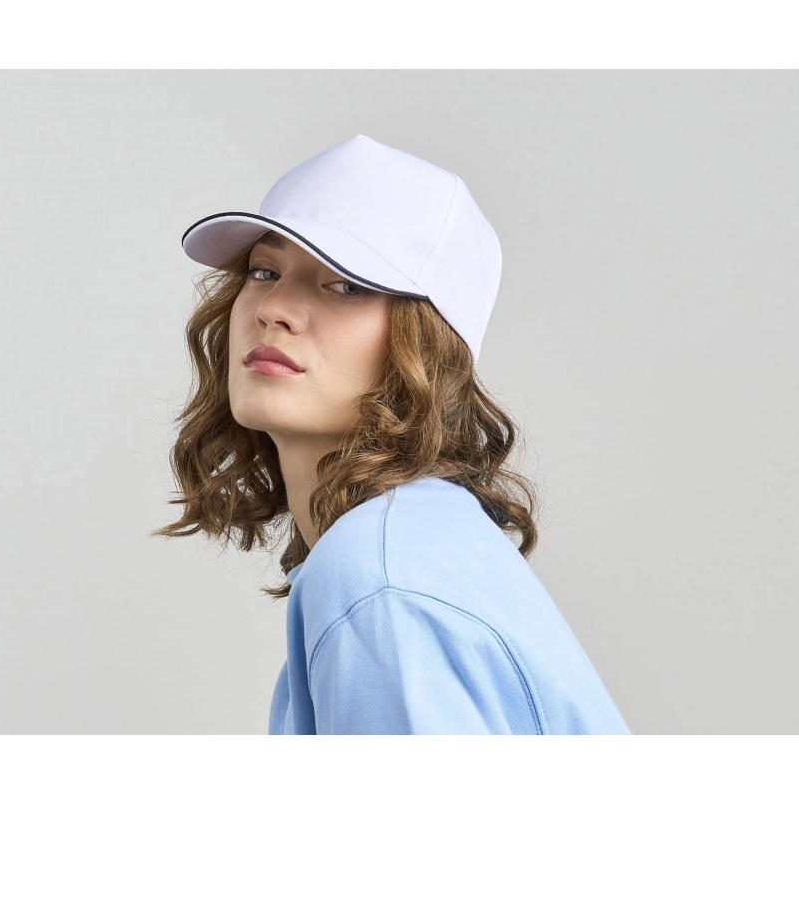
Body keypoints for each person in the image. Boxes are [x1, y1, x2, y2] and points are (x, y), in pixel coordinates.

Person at [154, 135, 630, 735]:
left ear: (427, 343)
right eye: (264, 271)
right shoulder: (412, 541)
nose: (273, 308)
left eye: (346, 285)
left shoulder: (378, 582)